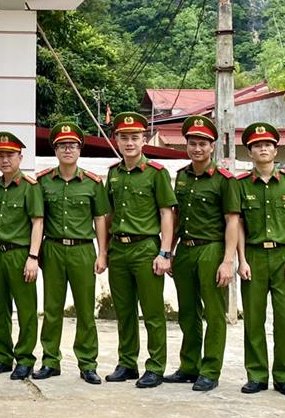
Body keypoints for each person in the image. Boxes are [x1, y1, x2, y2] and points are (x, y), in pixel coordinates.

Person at [228, 122, 285, 397]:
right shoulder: (239, 185)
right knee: (253, 319)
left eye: (268, 145)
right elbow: (237, 223)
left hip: (284, 255)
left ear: (276, 150)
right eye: (257, 146)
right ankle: (257, 375)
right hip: (253, 255)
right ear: (249, 152)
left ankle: (284, 376)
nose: (263, 149)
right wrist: (242, 260)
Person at [165, 116, 239, 392]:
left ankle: (210, 369)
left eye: (203, 144)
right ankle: (189, 366)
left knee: (214, 313)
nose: (197, 148)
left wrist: (228, 261)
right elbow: (175, 215)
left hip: (211, 249)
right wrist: (169, 250)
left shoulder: (224, 180)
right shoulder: (182, 176)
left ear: (212, 147)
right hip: (185, 249)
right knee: (187, 311)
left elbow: (232, 221)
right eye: (192, 143)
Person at [104, 112, 176, 389]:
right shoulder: (113, 174)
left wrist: (165, 252)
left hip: (146, 247)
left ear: (144, 140)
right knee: (124, 311)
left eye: (135, 137)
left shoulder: (156, 173)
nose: (129, 143)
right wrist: (105, 250)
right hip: (118, 249)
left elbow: (166, 213)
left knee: (153, 312)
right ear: (117, 140)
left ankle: (156, 366)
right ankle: (127, 363)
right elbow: (108, 213)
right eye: (124, 138)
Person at [34, 122, 110, 384]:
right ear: (55, 150)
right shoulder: (44, 182)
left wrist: (102, 253)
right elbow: (38, 219)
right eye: (62, 145)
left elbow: (100, 218)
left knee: (86, 310)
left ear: (79, 149)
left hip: (82, 250)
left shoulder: (92, 183)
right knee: (52, 309)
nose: (68, 150)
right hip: (53, 248)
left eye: (72, 145)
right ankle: (50, 361)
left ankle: (87, 363)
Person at [0, 131, 44, 381]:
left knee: (26, 309)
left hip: (20, 255)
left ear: (20, 156)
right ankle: (2, 356)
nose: (5, 159)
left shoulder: (30, 187)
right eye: (0, 155)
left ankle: (25, 359)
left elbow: (37, 222)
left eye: (9, 155)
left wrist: (33, 256)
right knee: (0, 308)